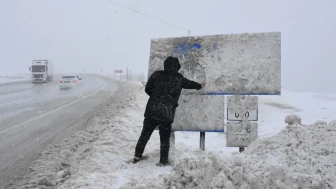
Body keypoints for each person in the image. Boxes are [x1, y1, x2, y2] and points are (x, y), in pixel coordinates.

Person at [133, 56, 204, 166]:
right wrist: (199, 85)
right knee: (165, 139)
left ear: (165, 65)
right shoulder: (179, 79)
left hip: (152, 110)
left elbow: (147, 89)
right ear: (177, 67)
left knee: (145, 135)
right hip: (166, 113)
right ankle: (163, 161)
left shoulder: (157, 74)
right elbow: (190, 84)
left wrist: (156, 97)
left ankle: (137, 156)